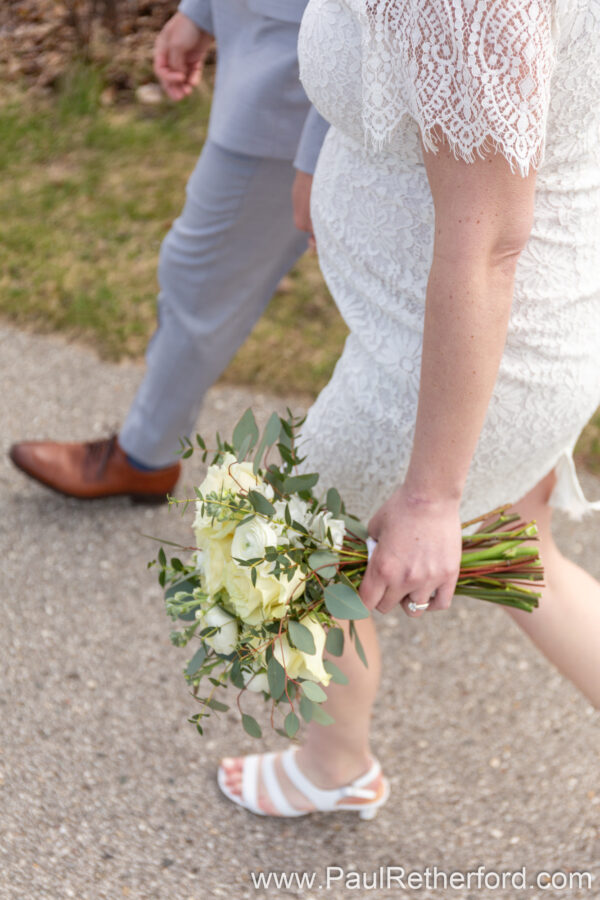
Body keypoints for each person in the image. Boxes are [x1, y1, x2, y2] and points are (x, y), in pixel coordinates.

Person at [218, 0, 600, 817]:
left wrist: (431, 496)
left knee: (269, 541)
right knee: (522, 558)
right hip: (538, 327)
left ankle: (332, 767)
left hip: (472, 367)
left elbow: (489, 238)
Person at [9, 0, 328, 502]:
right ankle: (145, 454)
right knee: (197, 274)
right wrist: (204, 11)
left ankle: (143, 455)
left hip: (300, 90)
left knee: (202, 277)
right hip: (273, 56)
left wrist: (322, 146)